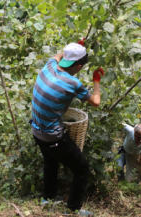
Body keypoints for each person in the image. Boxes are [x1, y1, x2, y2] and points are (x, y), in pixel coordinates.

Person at [30, 39, 103, 216]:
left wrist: (74, 48)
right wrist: (96, 81)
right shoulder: (73, 83)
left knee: (50, 161)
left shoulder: (49, 65)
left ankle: (47, 198)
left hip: (36, 129)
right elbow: (96, 102)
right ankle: (74, 208)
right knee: (82, 168)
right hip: (52, 135)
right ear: (78, 66)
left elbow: (59, 55)